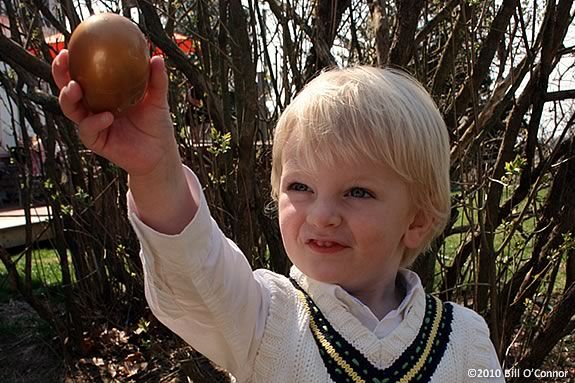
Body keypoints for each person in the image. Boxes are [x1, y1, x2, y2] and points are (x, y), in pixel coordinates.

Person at [53, 50, 504, 382]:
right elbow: (196, 271)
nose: (322, 215)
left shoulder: (465, 340)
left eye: (358, 192)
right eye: (300, 187)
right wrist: (154, 168)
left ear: (417, 221)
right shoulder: (265, 317)